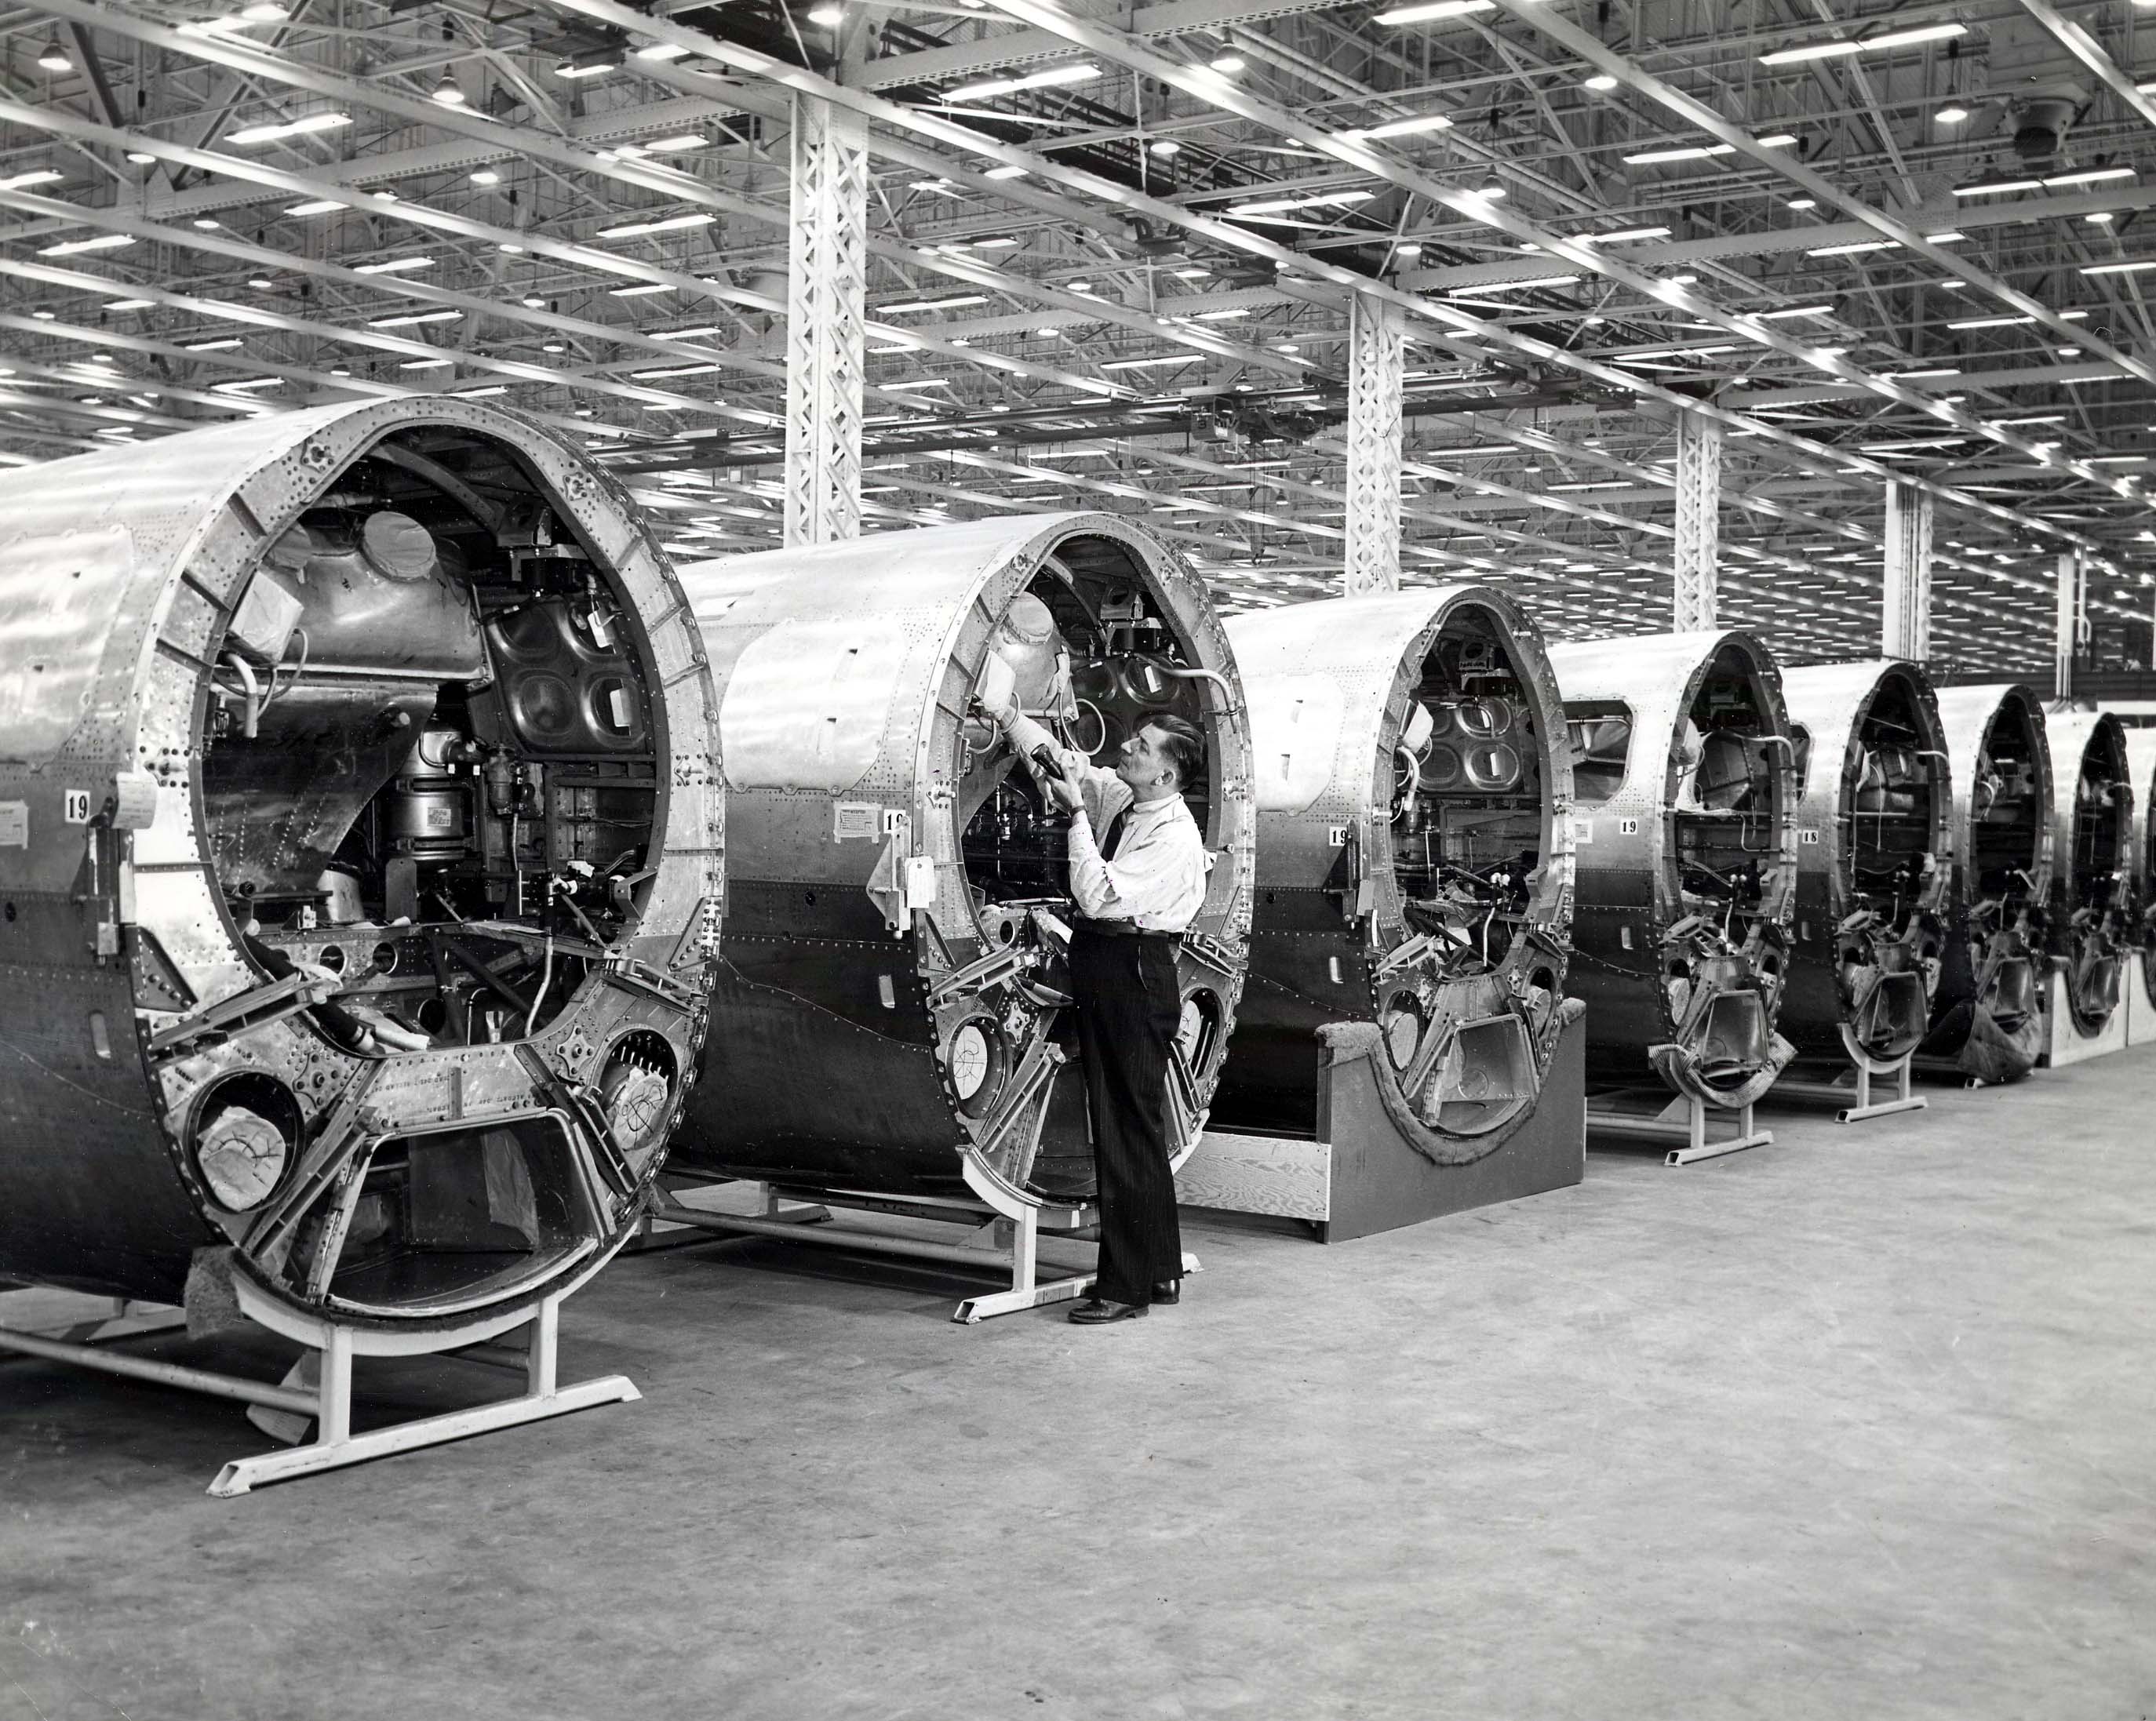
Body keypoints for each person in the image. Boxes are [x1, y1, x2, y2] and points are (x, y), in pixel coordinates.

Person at [977, 671, 1210, 1326]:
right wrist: (1006, 714)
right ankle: (1157, 1271)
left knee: (1123, 1130)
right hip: (1111, 964)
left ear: (1166, 776)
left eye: (1141, 746)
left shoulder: (1173, 837)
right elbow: (1063, 761)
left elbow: (1098, 893)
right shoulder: (1126, 801)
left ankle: (1124, 1289)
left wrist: (1076, 813)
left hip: (1132, 969)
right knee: (1134, 1128)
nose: (1127, 750)